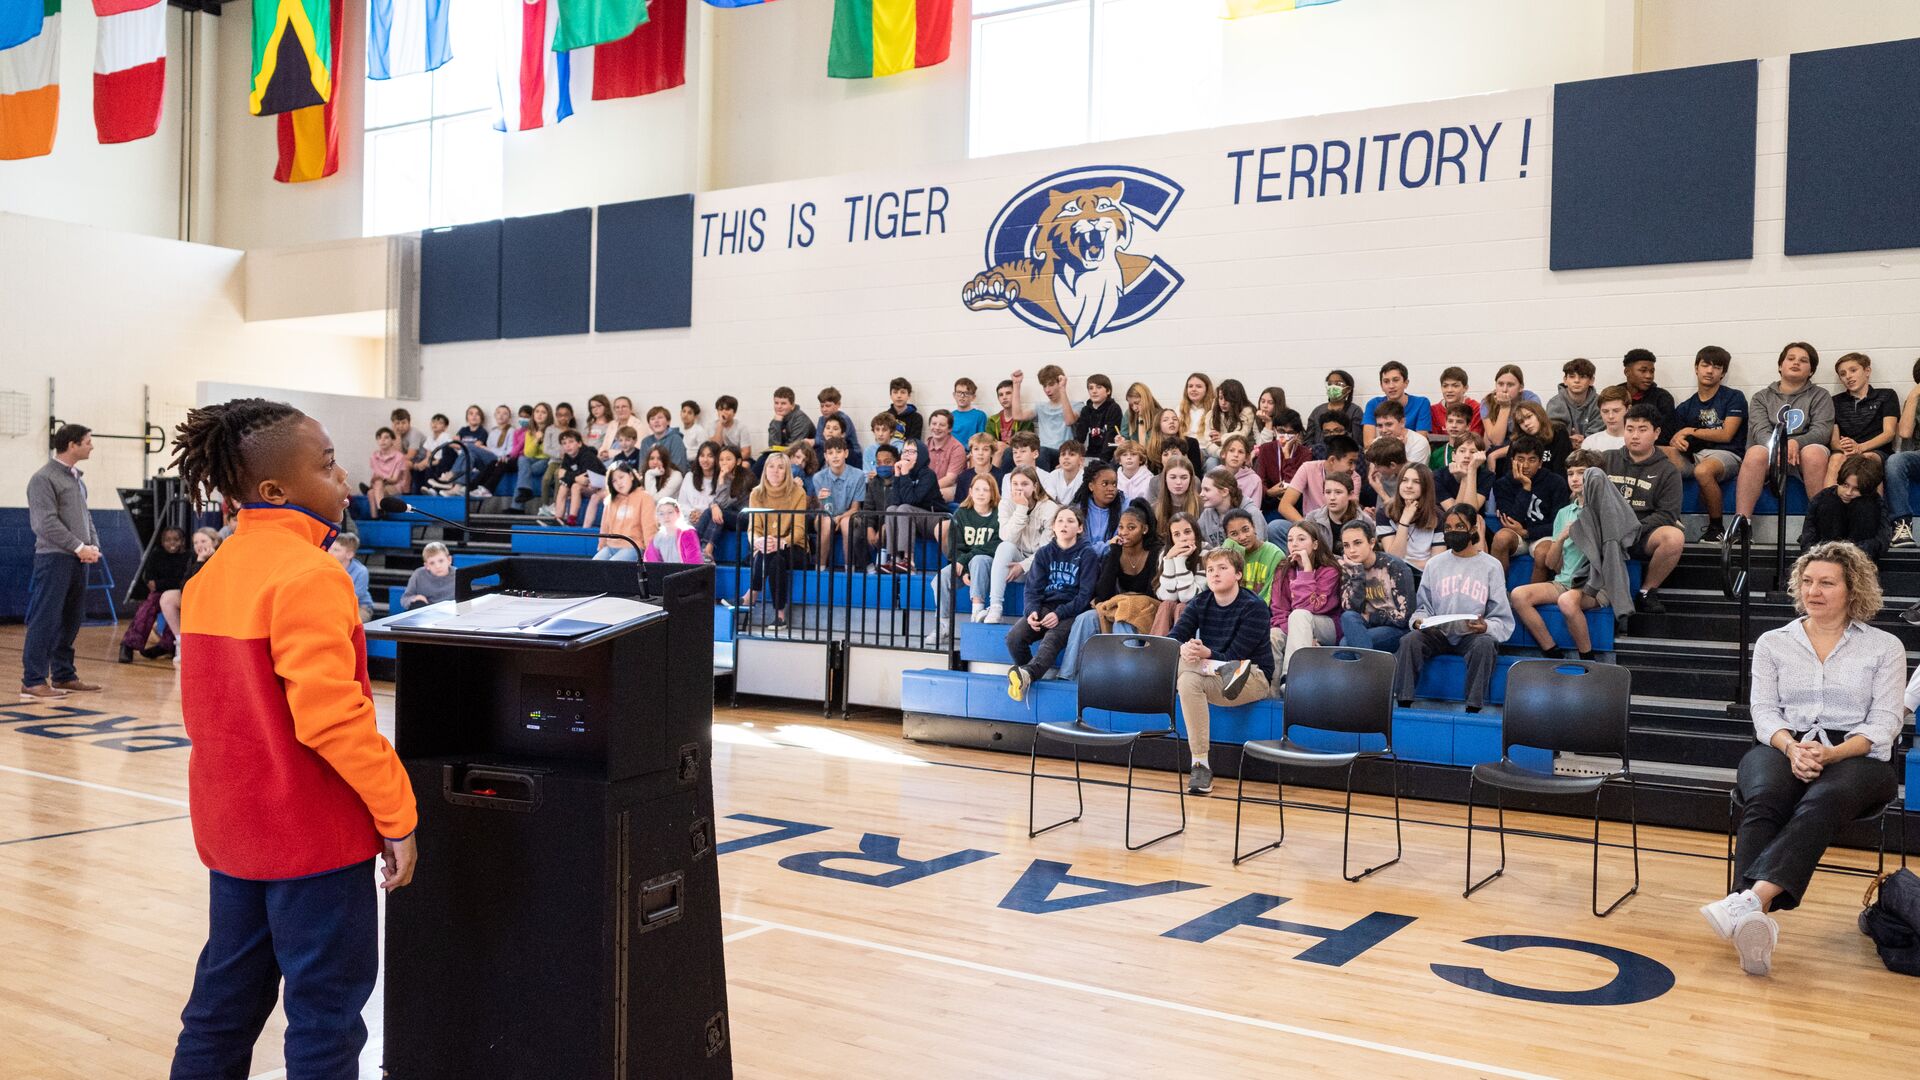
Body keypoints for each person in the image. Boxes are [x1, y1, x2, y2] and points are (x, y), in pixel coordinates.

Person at [166, 398, 417, 1078]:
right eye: (329, 464)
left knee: (220, 1011)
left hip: (235, 836)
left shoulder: (212, 572)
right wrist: (398, 815)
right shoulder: (311, 575)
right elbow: (333, 720)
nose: (342, 480)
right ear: (275, 490)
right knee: (326, 1022)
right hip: (313, 842)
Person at [1700, 542, 1902, 978]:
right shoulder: (1775, 642)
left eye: (1827, 583)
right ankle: (1753, 923)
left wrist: (1830, 754)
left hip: (1858, 756)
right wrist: (1791, 747)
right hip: (1783, 744)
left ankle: (1751, 900)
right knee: (1765, 795)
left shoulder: (1885, 647)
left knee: (1823, 799)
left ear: (1853, 589)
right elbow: (1763, 713)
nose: (1815, 590)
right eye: (1808, 581)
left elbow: (1884, 723)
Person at [1170, 545, 1275, 794]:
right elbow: (1174, 637)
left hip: (1251, 675)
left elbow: (1233, 658)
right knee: (1186, 679)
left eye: (1222, 568)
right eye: (1209, 569)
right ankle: (1200, 764)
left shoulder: (1255, 607)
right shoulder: (1201, 601)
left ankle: (1172, 675)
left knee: (1189, 669)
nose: (1214, 574)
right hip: (1210, 671)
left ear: (1238, 573)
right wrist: (1184, 648)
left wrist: (1203, 654)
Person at [1395, 504, 1514, 712]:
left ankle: (1473, 707)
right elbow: (1423, 606)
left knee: (1485, 645)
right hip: (1439, 633)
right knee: (1409, 640)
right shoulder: (1434, 564)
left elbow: (1502, 618)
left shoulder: (1491, 566)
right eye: (1448, 528)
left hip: (1471, 635)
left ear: (1472, 529)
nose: (1452, 532)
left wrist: (1485, 626)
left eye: (1459, 527)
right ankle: (1403, 702)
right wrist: (1419, 621)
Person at [22, 423, 102, 701]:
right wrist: (78, 546)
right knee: (45, 618)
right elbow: (45, 523)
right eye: (88, 441)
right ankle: (32, 681)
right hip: (54, 558)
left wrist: (93, 545)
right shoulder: (43, 479)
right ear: (72, 444)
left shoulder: (77, 479)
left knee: (71, 619)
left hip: (78, 558)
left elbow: (86, 517)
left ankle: (64, 674)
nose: (92, 446)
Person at [1004, 505, 1102, 700]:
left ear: (1080, 528)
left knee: (1051, 640)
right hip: (1044, 607)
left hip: (1070, 611)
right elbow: (1032, 589)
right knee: (1014, 638)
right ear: (1054, 527)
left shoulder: (1087, 554)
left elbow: (1084, 596)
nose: (1064, 524)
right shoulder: (1043, 554)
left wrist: (1059, 614)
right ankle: (1028, 675)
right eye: (1060, 521)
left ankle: (1027, 675)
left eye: (1070, 521)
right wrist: (1031, 611)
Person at [1509, 461, 1604, 659]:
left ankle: (1588, 657)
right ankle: (1551, 652)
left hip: (1596, 586)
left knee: (1567, 601)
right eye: (1570, 474)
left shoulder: (1605, 511)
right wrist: (1560, 538)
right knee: (1518, 595)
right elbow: (1552, 564)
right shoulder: (1564, 513)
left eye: (1581, 472)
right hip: (1564, 582)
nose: (1575, 478)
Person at [1055, 504, 1161, 678]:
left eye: (1131, 528)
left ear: (1145, 529)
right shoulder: (1115, 551)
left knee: (1123, 620)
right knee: (1084, 619)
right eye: (1121, 527)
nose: (1124, 532)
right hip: (1118, 608)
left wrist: (1125, 603)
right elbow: (1102, 595)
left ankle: (1124, 679)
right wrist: (1114, 554)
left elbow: (1153, 593)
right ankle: (1067, 675)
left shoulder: (1156, 552)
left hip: (1146, 612)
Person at [1602, 405, 1686, 612]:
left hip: (1641, 534)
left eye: (1642, 429)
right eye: (1630, 429)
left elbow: (1667, 514)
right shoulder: (1605, 459)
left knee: (1674, 537)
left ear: (1656, 433)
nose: (1635, 435)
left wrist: (1632, 528)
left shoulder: (1668, 470)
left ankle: (1647, 591)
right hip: (1605, 531)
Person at [1665, 345, 1747, 544]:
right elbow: (1679, 439)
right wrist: (1676, 440)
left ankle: (1717, 527)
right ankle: (1666, 517)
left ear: (1723, 373)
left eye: (1717, 367)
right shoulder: (1686, 406)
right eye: (1705, 365)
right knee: (1656, 453)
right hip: (1694, 456)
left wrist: (1689, 431)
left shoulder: (1733, 397)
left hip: (1727, 455)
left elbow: (1727, 434)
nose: (1710, 371)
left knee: (1703, 471)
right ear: (1696, 368)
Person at [742, 452, 811, 628]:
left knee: (773, 551)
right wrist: (757, 541)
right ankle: (780, 615)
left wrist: (781, 542)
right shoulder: (756, 494)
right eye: (771, 467)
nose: (775, 471)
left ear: (787, 471)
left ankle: (751, 594)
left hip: (795, 548)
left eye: (781, 467)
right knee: (775, 558)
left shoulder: (798, 493)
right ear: (765, 470)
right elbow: (753, 529)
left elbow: (799, 531)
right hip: (768, 549)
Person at [1268, 520, 1341, 682]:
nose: (1294, 544)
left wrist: (1307, 571)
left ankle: (1292, 678)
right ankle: (1270, 694)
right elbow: (1278, 610)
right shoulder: (1282, 570)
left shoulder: (1330, 571)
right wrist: (1299, 634)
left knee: (1300, 614)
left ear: (1315, 544)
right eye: (1290, 539)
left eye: (1301, 539)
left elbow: (1313, 607)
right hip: (1295, 624)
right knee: (1273, 635)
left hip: (1326, 625)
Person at [987, 466, 1060, 624]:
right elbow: (1007, 537)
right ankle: (995, 607)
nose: (1019, 488)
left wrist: (1023, 565)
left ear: (1035, 486)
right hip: (1016, 560)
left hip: (1041, 566)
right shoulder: (1006, 504)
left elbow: (1047, 550)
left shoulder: (1050, 509)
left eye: (1024, 484)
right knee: (1004, 547)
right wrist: (1021, 508)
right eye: (1015, 484)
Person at [934, 474, 1003, 637]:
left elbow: (993, 547)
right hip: (965, 566)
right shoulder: (961, 514)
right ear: (970, 492)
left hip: (989, 565)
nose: (981, 493)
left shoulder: (999, 515)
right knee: (940, 578)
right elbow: (955, 547)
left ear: (993, 493)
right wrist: (965, 570)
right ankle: (943, 624)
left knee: (979, 560)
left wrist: (966, 562)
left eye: (986, 490)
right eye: (977, 489)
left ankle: (976, 612)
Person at [1488, 435, 1570, 571]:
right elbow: (1511, 521)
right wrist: (1526, 487)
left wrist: (1527, 532)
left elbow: (1558, 522)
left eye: (1532, 460)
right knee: (1501, 538)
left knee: (1543, 552)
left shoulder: (1556, 482)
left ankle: (1533, 592)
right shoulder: (1503, 484)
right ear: (1512, 461)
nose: (1525, 465)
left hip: (1543, 535)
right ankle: (1498, 589)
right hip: (1517, 536)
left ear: (1540, 463)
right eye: (1520, 459)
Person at [1336, 519, 1414, 653]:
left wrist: (1371, 617)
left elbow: (1405, 617)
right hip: (1364, 627)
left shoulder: (1394, 567)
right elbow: (1350, 609)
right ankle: (1370, 670)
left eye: (1358, 543)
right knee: (1347, 617)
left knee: (1345, 644)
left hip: (1397, 629)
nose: (1352, 550)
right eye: (1346, 546)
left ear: (1372, 543)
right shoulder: (1349, 569)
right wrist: (1357, 574)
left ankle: (1368, 670)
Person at [119, 525, 192, 664]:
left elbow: (182, 581)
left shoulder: (188, 556)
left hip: (178, 592)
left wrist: (161, 583)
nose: (172, 543)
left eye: (176, 540)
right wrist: (164, 584)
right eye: (168, 540)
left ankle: (167, 645)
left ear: (182, 541)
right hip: (159, 593)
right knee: (147, 608)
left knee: (178, 610)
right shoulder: (156, 554)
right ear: (162, 541)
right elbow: (151, 582)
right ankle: (128, 645)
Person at [1826, 351, 1898, 489]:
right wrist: (1846, 447)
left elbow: (1889, 433)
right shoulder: (1835, 401)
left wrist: (1859, 448)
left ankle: (1872, 509)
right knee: (1836, 458)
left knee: (1867, 459)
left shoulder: (1886, 395)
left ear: (1867, 371)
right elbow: (1834, 441)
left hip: (1876, 451)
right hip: (1846, 450)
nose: (1848, 376)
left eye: (1853, 370)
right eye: (1843, 374)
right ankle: (1827, 507)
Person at [1799, 454, 1888, 559]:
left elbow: (1882, 541)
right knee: (1830, 503)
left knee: (1865, 507)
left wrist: (1849, 551)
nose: (1848, 492)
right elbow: (1808, 536)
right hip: (1825, 557)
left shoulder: (1875, 503)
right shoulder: (1823, 498)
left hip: (1859, 559)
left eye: (1856, 489)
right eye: (1845, 485)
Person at [881, 441, 946, 572]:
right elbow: (894, 501)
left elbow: (912, 501)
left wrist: (904, 474)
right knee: (892, 510)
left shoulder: (928, 475)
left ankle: (908, 560)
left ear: (920, 454)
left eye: (911, 451)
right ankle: (894, 559)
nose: (906, 455)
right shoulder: (902, 473)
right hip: (913, 518)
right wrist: (898, 476)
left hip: (935, 518)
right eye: (904, 451)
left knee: (905, 509)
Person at [810, 436, 864, 569]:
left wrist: (841, 517)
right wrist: (820, 501)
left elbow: (855, 508)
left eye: (838, 451)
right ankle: (820, 567)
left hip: (850, 515)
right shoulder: (818, 477)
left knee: (846, 522)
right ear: (825, 456)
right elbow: (821, 509)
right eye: (830, 453)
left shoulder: (858, 475)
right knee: (827, 521)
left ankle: (849, 568)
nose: (835, 456)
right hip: (826, 515)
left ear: (846, 453)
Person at [1382, 463, 1444, 571]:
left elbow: (1437, 563)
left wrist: (1408, 564)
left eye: (1416, 482)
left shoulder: (1438, 516)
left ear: (1426, 487)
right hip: (1398, 575)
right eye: (1404, 480)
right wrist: (1404, 520)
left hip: (1426, 575)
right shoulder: (1385, 513)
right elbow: (1394, 558)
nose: (1409, 485)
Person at [1152, 512, 1205, 635]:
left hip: (1200, 609)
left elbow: (1189, 597)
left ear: (1196, 533)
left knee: (1182, 607)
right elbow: (1168, 597)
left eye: (1187, 532)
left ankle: (1180, 648)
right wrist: (1169, 560)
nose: (1183, 538)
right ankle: (1156, 649)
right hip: (1172, 606)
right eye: (1177, 535)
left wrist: (1180, 562)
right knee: (1166, 605)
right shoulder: (1166, 555)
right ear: (1171, 539)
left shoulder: (1206, 553)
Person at [1480, 364, 1539, 472]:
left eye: (1510, 385)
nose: (1504, 389)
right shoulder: (1487, 402)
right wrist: (1505, 408)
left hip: (1524, 449)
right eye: (1500, 384)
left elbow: (1530, 439)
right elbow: (1497, 441)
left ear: (1520, 387)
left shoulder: (1530, 399)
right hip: (1498, 449)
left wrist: (1495, 454)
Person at [698, 444, 753, 561]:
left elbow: (724, 504)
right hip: (729, 515)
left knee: (717, 512)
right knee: (712, 512)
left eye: (728, 459)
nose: (724, 463)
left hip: (746, 518)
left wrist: (721, 480)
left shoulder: (745, 478)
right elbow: (717, 502)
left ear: (738, 461)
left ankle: (706, 548)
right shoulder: (724, 475)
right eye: (721, 459)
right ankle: (700, 547)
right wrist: (713, 506)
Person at [593, 466, 656, 562]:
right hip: (610, 547)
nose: (618, 482)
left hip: (634, 546)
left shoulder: (645, 497)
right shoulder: (610, 500)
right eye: (614, 481)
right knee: (592, 566)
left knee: (612, 567)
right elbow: (604, 527)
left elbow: (649, 528)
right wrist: (601, 546)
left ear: (631, 476)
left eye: (621, 477)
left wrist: (651, 555)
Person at [1614, 348, 1676, 445]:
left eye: (1652, 371)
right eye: (1643, 371)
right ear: (1627, 372)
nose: (1649, 376)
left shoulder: (1662, 398)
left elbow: (1665, 435)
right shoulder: (1614, 396)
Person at [1252, 409, 1311, 511]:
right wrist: (1268, 492)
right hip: (1271, 502)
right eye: (1281, 431)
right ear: (1274, 430)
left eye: (1291, 432)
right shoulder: (1266, 449)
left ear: (1297, 435)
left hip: (1294, 505)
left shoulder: (1305, 453)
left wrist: (1287, 456)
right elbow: (1259, 479)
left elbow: (1295, 485)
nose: (1286, 436)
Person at [1221, 507, 1282, 604]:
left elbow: (1272, 596)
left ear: (1253, 527)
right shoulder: (1229, 553)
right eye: (1234, 534)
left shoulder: (1274, 554)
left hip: (1262, 611)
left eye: (1245, 530)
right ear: (1227, 537)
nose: (1242, 537)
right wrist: (1228, 555)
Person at [1363, 361, 1433, 443]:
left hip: (1411, 452)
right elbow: (1368, 443)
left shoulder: (1421, 403)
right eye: (1386, 381)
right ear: (1381, 386)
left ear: (1406, 383)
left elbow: (1421, 441)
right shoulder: (1373, 404)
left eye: (1396, 380)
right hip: (1381, 454)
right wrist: (1396, 444)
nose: (1391, 386)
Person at [546, 430, 603, 526]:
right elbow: (561, 477)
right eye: (564, 443)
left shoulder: (587, 455)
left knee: (576, 486)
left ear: (579, 443)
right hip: (585, 486)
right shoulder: (567, 457)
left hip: (598, 487)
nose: (568, 445)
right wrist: (575, 477)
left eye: (571, 442)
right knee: (563, 487)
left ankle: (572, 518)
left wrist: (569, 475)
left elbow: (585, 478)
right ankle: (558, 518)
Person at [1547, 357, 1604, 447]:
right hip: (1562, 449)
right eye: (1572, 376)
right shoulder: (1554, 403)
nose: (1577, 381)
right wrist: (1568, 440)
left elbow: (1598, 433)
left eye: (1582, 377)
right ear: (1565, 380)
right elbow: (1554, 433)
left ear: (1591, 380)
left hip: (1592, 449)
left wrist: (1584, 440)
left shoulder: (1600, 403)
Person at [1306, 368, 1363, 452]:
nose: (1333, 387)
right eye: (1330, 384)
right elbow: (1308, 440)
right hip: (1318, 455)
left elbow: (1357, 441)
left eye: (1338, 384)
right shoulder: (1317, 411)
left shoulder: (1355, 411)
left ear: (1348, 389)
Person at [1072, 374, 1125, 460]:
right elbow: (1079, 438)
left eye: (1099, 387)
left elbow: (1110, 439)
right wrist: (1072, 457)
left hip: (1109, 457)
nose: (1094, 391)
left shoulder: (1113, 408)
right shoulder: (1086, 410)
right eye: (1091, 388)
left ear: (1108, 391)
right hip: (1091, 455)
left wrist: (1101, 462)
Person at [1151, 454, 1203, 542]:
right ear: (1165, 479)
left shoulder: (1203, 506)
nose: (1178, 482)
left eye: (1184, 477)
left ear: (1191, 479)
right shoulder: (1154, 509)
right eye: (1173, 477)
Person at [1369, 399, 1432, 469]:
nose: (1384, 430)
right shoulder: (1376, 442)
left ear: (1402, 422)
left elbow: (1413, 474)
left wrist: (1400, 450)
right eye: (1380, 426)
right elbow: (1374, 473)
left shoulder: (1419, 442)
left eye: (1389, 424)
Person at [327, 532, 375, 623]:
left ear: (349, 555)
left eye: (336, 550)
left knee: (345, 621)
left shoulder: (361, 571)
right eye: (330, 548)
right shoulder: (325, 567)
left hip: (359, 607)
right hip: (333, 607)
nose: (330, 552)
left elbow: (354, 597)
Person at [514, 401, 553, 508]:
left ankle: (517, 508)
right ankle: (525, 492)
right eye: (537, 412)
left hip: (547, 461)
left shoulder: (552, 430)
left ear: (548, 415)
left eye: (543, 412)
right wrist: (536, 440)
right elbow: (528, 453)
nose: (539, 414)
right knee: (522, 459)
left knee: (524, 472)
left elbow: (548, 453)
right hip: (532, 459)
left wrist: (542, 439)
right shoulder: (529, 432)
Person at [365, 426, 409, 517]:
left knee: (377, 485)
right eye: (379, 438)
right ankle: (377, 516)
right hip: (379, 487)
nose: (382, 440)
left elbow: (395, 479)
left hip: (394, 486)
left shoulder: (399, 457)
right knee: (371, 492)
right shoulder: (374, 456)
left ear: (393, 440)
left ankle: (380, 510)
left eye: (386, 437)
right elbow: (375, 475)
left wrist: (382, 479)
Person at [1032, 365, 1078, 450]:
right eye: (1044, 386)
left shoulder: (1077, 405)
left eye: (1051, 384)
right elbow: (1017, 416)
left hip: (1064, 452)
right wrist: (1016, 384)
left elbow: (1069, 421)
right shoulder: (1040, 407)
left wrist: (1062, 388)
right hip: (1044, 452)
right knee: (1010, 452)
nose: (1047, 390)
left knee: (1042, 451)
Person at [645, 497, 703, 563]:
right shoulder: (658, 537)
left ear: (678, 513)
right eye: (661, 514)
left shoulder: (687, 533)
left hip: (685, 572)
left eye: (670, 512)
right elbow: (650, 562)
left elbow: (694, 563)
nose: (666, 517)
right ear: (657, 517)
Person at [765, 386, 817, 459]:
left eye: (783, 403)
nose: (779, 406)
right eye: (776, 403)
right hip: (784, 455)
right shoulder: (778, 418)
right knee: (764, 459)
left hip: (801, 458)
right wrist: (776, 422)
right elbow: (773, 446)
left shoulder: (801, 419)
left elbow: (793, 448)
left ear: (792, 405)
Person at [402, 541, 456, 608]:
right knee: (417, 604)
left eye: (441, 561)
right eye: (432, 563)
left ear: (449, 560)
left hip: (451, 612)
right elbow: (404, 599)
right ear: (426, 565)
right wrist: (414, 598)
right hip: (426, 612)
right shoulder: (418, 574)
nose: (437, 566)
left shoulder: (458, 575)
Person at [1432, 366, 1484, 434]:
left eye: (1455, 386)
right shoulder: (1433, 410)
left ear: (1465, 388)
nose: (1449, 390)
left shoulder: (1476, 408)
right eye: (1445, 386)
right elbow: (1434, 440)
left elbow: (1474, 438)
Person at [638, 405, 690, 471]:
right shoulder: (645, 442)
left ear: (668, 422)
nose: (656, 421)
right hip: (651, 477)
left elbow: (679, 467)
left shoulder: (676, 439)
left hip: (673, 477)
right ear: (649, 425)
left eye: (660, 417)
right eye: (652, 419)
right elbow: (642, 468)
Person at [1581, 386, 1631, 453]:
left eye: (1616, 411)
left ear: (1628, 409)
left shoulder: (1638, 441)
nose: (1610, 416)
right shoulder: (1591, 442)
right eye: (1605, 411)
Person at [949, 377, 989, 445]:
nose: (962, 396)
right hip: (951, 453)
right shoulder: (949, 416)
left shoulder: (979, 416)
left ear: (973, 397)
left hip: (970, 454)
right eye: (959, 392)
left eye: (966, 393)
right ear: (954, 395)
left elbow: (981, 441)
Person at [1177, 373, 1215, 442]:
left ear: (1207, 390)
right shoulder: (1179, 409)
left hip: (1207, 450)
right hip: (1185, 449)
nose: (1193, 389)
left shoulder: (1214, 409)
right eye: (1190, 386)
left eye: (1198, 386)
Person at [1114, 439, 1155, 504]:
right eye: (1125, 455)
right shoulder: (1114, 479)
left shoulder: (1150, 480)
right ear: (1119, 461)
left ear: (1141, 459)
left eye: (1133, 454)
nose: (1129, 458)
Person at [887, 376, 925, 442]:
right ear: (890, 395)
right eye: (895, 392)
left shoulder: (916, 418)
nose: (899, 396)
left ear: (909, 395)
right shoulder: (884, 417)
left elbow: (913, 442)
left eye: (903, 392)